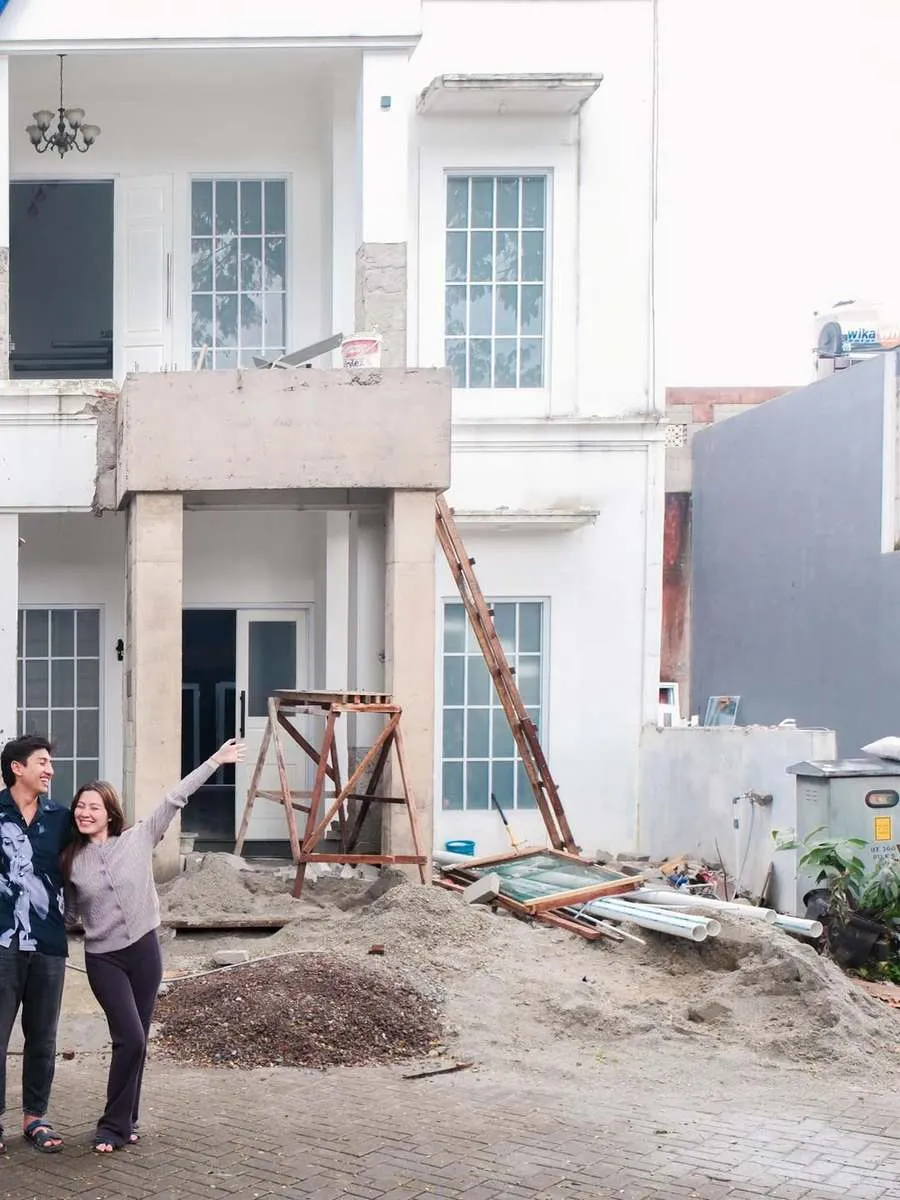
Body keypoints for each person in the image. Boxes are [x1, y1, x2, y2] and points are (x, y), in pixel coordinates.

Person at [61, 739, 244, 1153]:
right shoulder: (71, 860)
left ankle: (128, 1121)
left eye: (93, 807)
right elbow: (69, 915)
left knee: (138, 1039)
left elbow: (175, 797)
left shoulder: (139, 837)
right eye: (80, 807)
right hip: (103, 958)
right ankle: (111, 1127)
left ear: (110, 813)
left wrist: (215, 761)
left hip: (145, 952)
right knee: (129, 1038)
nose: (85, 812)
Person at [0, 734, 72, 1154]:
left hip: (48, 942)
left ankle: (35, 1118)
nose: (50, 770)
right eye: (42, 762)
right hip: (1, 944)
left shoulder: (61, 818)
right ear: (17, 768)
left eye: (50, 763)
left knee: (43, 1037)